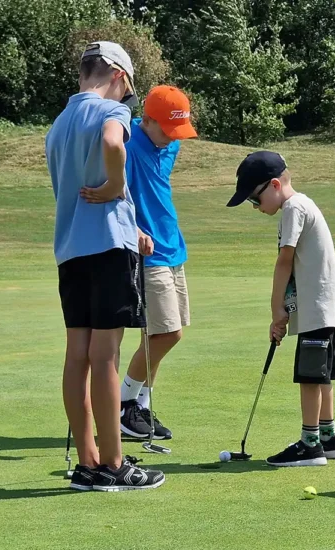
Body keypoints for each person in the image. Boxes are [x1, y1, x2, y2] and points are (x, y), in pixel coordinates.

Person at [45, 41, 163, 492]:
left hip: (71, 251)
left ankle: (89, 461)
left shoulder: (57, 125)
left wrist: (128, 221)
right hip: (109, 251)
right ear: (117, 75)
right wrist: (117, 186)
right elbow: (114, 143)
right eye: (128, 90)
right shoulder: (111, 113)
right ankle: (114, 464)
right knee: (106, 356)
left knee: (77, 354)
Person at [227, 151, 335, 467]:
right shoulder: (302, 205)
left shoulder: (293, 208)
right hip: (326, 308)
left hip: (318, 310)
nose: (257, 208)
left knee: (310, 377)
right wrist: (286, 309)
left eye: (256, 200)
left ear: (273, 185)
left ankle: (310, 445)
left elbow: (284, 261)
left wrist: (275, 309)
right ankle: (329, 437)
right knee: (321, 375)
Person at [113, 86, 197, 442]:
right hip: (147, 255)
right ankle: (123, 403)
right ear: (146, 120)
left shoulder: (170, 144)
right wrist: (133, 230)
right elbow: (115, 195)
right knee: (167, 333)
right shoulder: (127, 147)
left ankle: (142, 406)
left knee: (158, 334)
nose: (173, 139)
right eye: (168, 130)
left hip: (173, 247)